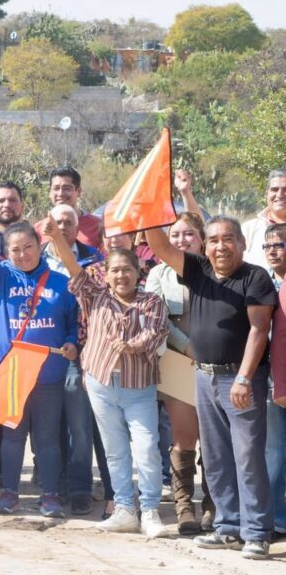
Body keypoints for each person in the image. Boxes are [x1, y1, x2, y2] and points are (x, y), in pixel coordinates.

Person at [145, 216, 275, 560]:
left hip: (241, 379)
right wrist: (147, 213)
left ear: (242, 243)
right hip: (204, 376)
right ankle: (228, 527)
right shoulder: (198, 270)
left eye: (228, 239)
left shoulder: (255, 277)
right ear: (206, 244)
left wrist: (245, 378)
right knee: (216, 458)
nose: (220, 246)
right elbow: (159, 246)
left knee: (247, 457)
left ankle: (257, 531)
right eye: (214, 239)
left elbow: (259, 329)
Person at [45, 220, 169, 538]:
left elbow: (154, 336)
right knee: (115, 450)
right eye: (114, 270)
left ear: (137, 272)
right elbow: (74, 269)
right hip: (101, 385)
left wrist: (129, 345)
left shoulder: (152, 302)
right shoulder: (96, 296)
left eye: (127, 270)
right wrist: (57, 238)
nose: (121, 276)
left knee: (146, 448)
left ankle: (151, 510)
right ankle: (125, 508)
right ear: (107, 274)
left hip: (139, 387)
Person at [0, 198, 80, 519]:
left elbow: (72, 324)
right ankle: (9, 491)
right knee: (12, 437)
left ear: (38, 245)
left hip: (48, 375)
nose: (22, 254)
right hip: (12, 374)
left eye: (27, 247)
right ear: (7, 252)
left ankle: (50, 495)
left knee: (46, 439)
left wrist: (71, 343)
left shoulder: (62, 283)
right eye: (14, 250)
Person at [144, 211, 215, 535]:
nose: (182, 240)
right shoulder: (158, 273)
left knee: (215, 439)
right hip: (177, 364)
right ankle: (184, 506)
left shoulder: (218, 272)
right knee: (184, 438)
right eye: (175, 235)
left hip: (216, 361)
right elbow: (157, 316)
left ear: (201, 238)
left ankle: (214, 506)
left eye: (189, 234)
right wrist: (187, 346)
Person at [41, 204, 101, 515]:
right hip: (47, 353)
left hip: (82, 353)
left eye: (68, 222)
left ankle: (80, 488)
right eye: (57, 221)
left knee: (80, 426)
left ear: (78, 227)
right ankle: (54, 483)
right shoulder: (33, 258)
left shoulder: (95, 259)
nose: (62, 226)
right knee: (50, 425)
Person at [254, 223, 286, 537]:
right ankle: (275, 517)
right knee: (274, 451)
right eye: (267, 246)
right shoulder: (262, 282)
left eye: (279, 244)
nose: (272, 251)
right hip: (271, 380)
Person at [33, 167, 103, 250]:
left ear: (79, 191)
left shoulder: (98, 226)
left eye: (67, 188)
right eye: (56, 188)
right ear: (50, 192)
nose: (61, 193)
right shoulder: (37, 230)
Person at [242, 168, 286, 269]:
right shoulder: (248, 229)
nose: (279, 195)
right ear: (267, 194)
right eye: (274, 190)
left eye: (285, 190)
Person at [0, 182, 26, 253]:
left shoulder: (34, 237)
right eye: (1, 201)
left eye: (12, 200)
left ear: (22, 206)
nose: (7, 205)